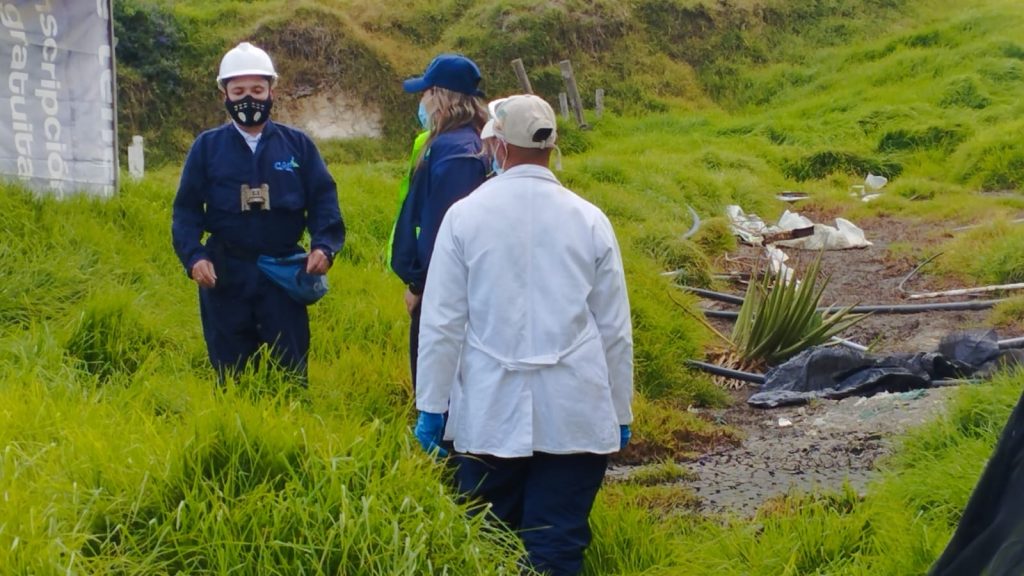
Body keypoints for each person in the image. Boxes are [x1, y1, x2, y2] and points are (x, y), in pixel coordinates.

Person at [413, 94, 634, 576]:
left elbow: (442, 322)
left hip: (491, 414)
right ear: (551, 147)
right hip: (575, 413)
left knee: (490, 540)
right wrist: (620, 409)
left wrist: (430, 405)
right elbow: (614, 328)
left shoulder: (465, 216)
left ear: (497, 146)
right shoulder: (589, 218)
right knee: (558, 543)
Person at [171, 42, 345, 382]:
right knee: (231, 375)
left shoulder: (298, 145)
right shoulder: (206, 147)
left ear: (271, 91)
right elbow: (186, 211)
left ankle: (291, 413)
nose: (248, 98)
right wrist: (194, 257)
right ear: (224, 94)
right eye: (238, 91)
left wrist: (324, 246)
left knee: (290, 372)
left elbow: (323, 199)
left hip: (283, 270)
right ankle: (236, 413)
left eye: (256, 90)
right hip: (225, 274)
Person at [390, 53, 489, 391]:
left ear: (441, 97)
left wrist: (419, 285)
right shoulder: (453, 143)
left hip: (444, 290)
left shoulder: (458, 153)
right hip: (445, 284)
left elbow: (443, 230)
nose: (422, 102)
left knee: (439, 386)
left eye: (426, 93)